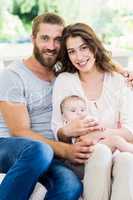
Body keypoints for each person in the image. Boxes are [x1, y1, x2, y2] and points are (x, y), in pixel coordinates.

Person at [0, 13, 98, 200]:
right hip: (8, 147)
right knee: (39, 150)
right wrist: (65, 150)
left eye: (57, 40)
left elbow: (96, 59)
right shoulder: (12, 75)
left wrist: (122, 71)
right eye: (45, 38)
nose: (51, 46)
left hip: (47, 153)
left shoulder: (63, 72)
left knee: (70, 184)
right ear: (33, 39)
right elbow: (19, 131)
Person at [52, 22, 133, 200]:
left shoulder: (118, 80)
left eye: (83, 47)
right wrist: (68, 131)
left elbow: (130, 131)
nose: (79, 56)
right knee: (100, 152)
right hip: (82, 156)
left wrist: (98, 135)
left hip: (118, 151)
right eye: (72, 51)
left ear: (94, 46)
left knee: (128, 160)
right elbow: (58, 131)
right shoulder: (65, 81)